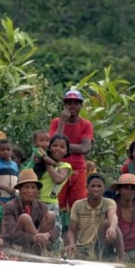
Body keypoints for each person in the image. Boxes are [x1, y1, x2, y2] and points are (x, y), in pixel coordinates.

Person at [50, 90, 93, 221]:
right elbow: (53, 146)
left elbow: (85, 148)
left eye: (76, 103)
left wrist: (62, 147)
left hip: (78, 168)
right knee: (56, 202)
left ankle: (78, 237)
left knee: (79, 203)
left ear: (81, 105)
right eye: (69, 103)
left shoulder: (86, 124)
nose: (72, 106)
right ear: (64, 105)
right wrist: (63, 122)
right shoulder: (56, 122)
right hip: (58, 167)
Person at [64, 173, 122, 261]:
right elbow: (71, 230)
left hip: (102, 245)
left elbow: (113, 215)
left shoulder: (109, 202)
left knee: (113, 226)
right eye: (93, 186)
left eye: (99, 186)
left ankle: (121, 259)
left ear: (104, 188)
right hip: (82, 246)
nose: (96, 189)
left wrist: (112, 228)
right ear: (87, 188)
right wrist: (72, 244)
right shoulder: (78, 205)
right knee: (74, 256)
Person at [0, 169, 58, 254]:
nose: (30, 191)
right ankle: (40, 251)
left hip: (37, 245)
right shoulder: (10, 206)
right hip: (17, 246)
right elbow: (10, 232)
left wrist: (47, 235)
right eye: (26, 187)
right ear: (19, 189)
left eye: (33, 187)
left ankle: (39, 250)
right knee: (25, 218)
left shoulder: (41, 206)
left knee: (51, 215)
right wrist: (33, 238)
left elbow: (55, 230)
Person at [35, 134, 72, 236]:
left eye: (62, 147)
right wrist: (43, 160)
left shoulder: (65, 166)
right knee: (35, 230)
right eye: (55, 145)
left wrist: (47, 162)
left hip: (51, 203)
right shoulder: (40, 163)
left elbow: (58, 179)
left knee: (53, 233)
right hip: (35, 201)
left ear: (66, 151)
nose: (58, 149)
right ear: (49, 147)